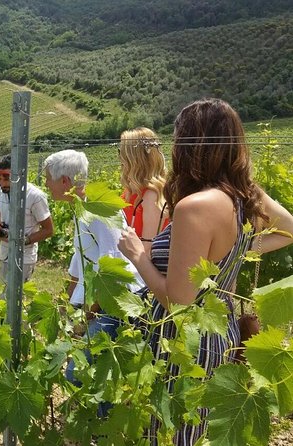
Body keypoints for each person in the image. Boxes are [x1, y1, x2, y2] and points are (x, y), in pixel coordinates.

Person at [117, 98, 293, 444]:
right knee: (197, 433)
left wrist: (138, 256)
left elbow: (179, 302)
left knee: (173, 433)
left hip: (185, 344)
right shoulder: (240, 198)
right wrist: (238, 251)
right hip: (219, 334)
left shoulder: (194, 208)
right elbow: (289, 228)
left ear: (191, 144)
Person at [43, 149, 144, 406]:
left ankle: (105, 428)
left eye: (48, 179)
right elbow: (78, 267)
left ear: (64, 181)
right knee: (92, 375)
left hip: (116, 305)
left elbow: (111, 270)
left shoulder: (99, 212)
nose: (45, 184)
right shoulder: (82, 210)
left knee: (81, 373)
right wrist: (63, 307)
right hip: (101, 305)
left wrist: (86, 316)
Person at [0, 154, 53, 284]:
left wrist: (22, 241)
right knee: (0, 297)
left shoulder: (35, 196)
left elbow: (49, 230)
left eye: (6, 178)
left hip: (24, 258)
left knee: (14, 300)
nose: (1, 182)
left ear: (18, 176)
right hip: (4, 253)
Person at [119, 127, 169, 255]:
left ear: (133, 159)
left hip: (139, 270)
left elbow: (148, 251)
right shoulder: (132, 190)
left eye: (122, 152)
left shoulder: (152, 195)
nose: (120, 157)